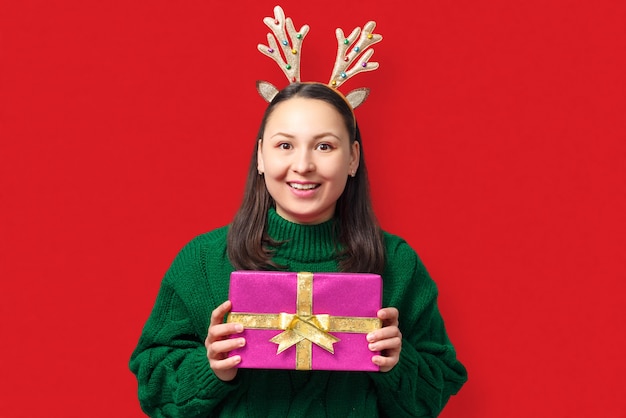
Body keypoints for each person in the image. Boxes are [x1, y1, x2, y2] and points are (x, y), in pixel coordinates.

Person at [129, 82, 468, 417]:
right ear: (261, 156)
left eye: (324, 147)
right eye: (285, 145)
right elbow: (153, 387)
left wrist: (398, 362)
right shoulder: (202, 262)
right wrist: (209, 368)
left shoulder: (397, 263)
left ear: (352, 159)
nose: (303, 165)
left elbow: (435, 389)